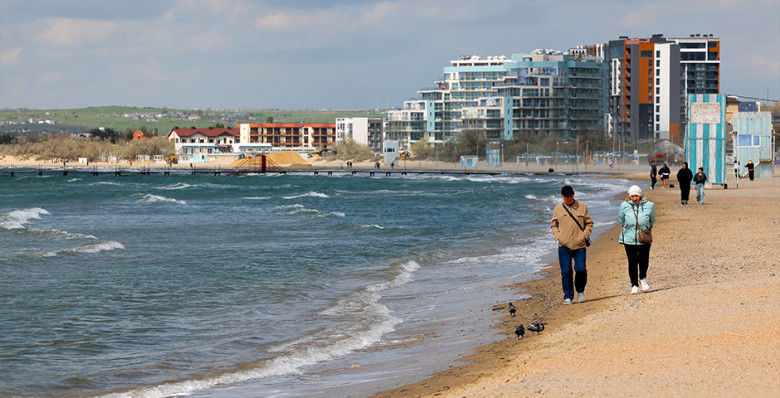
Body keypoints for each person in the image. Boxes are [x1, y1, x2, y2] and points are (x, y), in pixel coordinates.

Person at [551, 185, 593, 305]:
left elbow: (589, 223)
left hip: (580, 245)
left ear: (574, 195)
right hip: (564, 246)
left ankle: (580, 291)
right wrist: (557, 236)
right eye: (566, 197)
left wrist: (585, 234)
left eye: (571, 196)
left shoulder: (582, 206)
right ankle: (568, 296)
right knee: (566, 272)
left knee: (581, 269)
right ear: (562, 196)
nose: (569, 198)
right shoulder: (558, 209)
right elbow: (554, 224)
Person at [618, 185, 656, 294]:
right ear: (629, 196)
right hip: (629, 238)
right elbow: (621, 219)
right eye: (632, 196)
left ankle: (643, 278)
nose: (634, 198)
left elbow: (652, 220)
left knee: (644, 260)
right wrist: (628, 228)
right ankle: (634, 284)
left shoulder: (650, 205)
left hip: (644, 237)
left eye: (636, 196)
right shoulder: (624, 205)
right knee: (632, 262)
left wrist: (645, 228)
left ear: (640, 195)